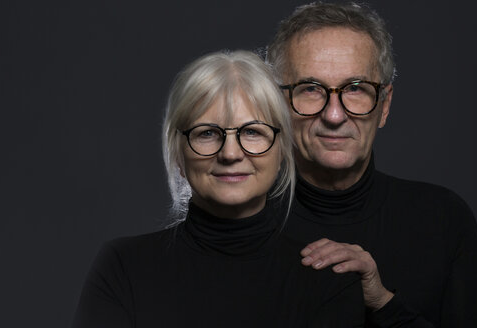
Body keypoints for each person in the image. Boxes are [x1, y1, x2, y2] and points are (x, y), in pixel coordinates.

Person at [72, 50, 365, 327]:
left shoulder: (330, 279)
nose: (230, 154)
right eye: (208, 133)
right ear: (177, 152)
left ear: (282, 149)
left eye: (252, 132)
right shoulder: (124, 267)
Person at [266, 2, 477, 327]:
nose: (334, 115)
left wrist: (383, 303)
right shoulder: (241, 223)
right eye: (311, 89)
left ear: (385, 106)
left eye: (356, 89)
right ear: (278, 104)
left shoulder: (444, 220)